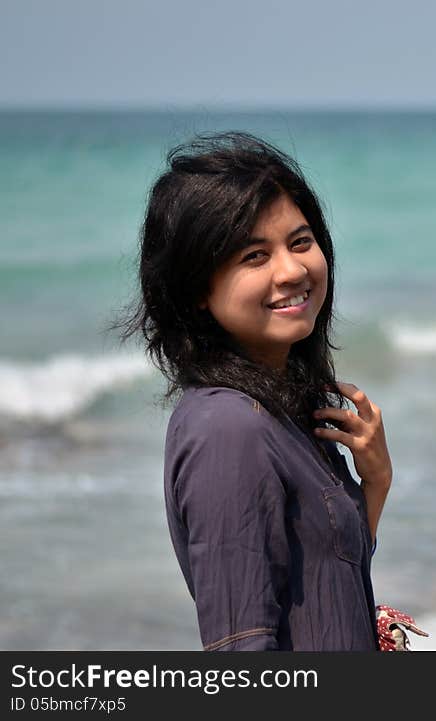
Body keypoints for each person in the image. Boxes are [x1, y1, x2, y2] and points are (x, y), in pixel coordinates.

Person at [115, 131, 392, 650]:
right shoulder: (229, 429)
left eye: (300, 242)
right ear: (197, 288)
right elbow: (240, 646)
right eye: (253, 256)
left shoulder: (284, 407)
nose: (291, 271)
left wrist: (374, 483)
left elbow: (329, 587)